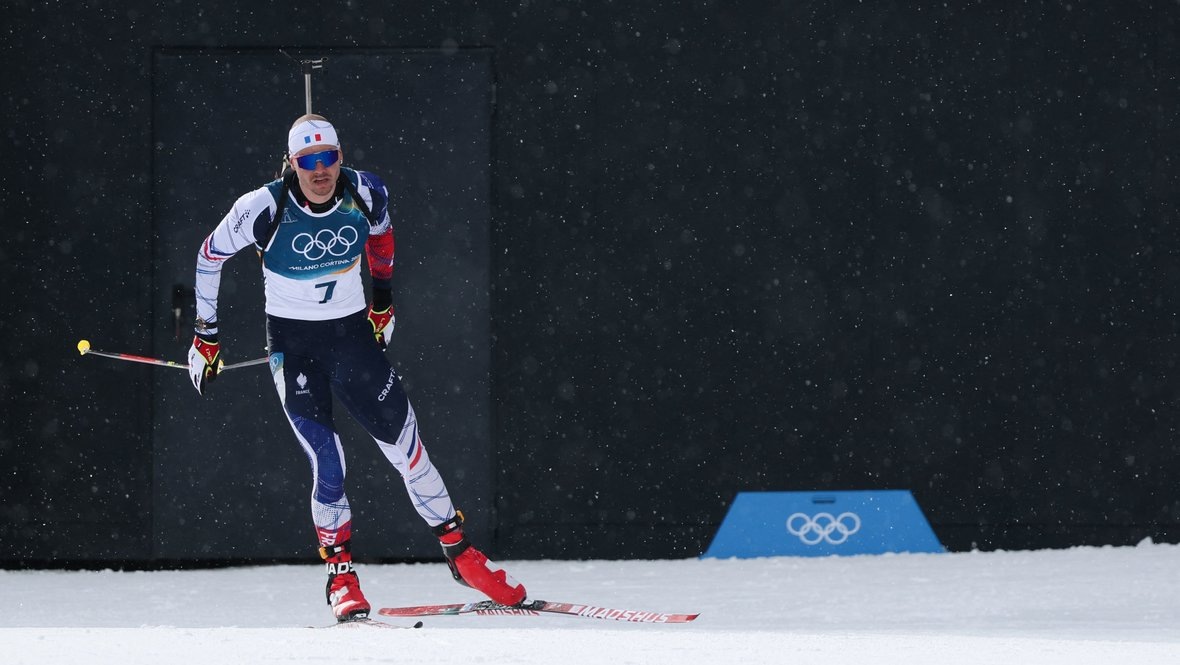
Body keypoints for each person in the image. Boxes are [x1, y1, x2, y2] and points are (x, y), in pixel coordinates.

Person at [186, 114, 526, 622]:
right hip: (294, 349)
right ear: (292, 163)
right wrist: (206, 335)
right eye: (308, 161)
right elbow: (209, 256)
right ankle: (341, 575)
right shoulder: (262, 206)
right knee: (329, 462)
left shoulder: (365, 191)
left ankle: (460, 553)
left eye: (328, 158)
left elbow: (382, 239)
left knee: (408, 449)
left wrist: (383, 303)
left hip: (351, 340)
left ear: (340, 156)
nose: (320, 170)